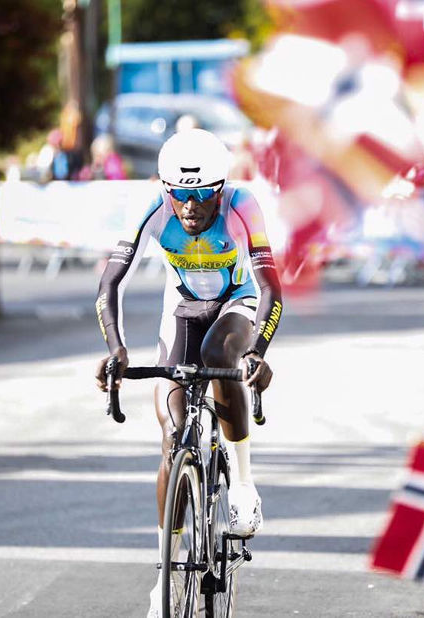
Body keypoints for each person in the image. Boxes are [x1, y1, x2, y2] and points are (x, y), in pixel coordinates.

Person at [93, 129, 282, 617]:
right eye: (180, 194)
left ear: (220, 189)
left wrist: (258, 349)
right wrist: (116, 350)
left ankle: (241, 484)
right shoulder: (152, 208)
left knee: (223, 354)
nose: (190, 206)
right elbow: (110, 283)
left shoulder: (243, 206)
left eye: (201, 195)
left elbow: (270, 289)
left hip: (236, 301)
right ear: (165, 189)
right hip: (181, 306)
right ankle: (165, 575)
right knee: (173, 431)